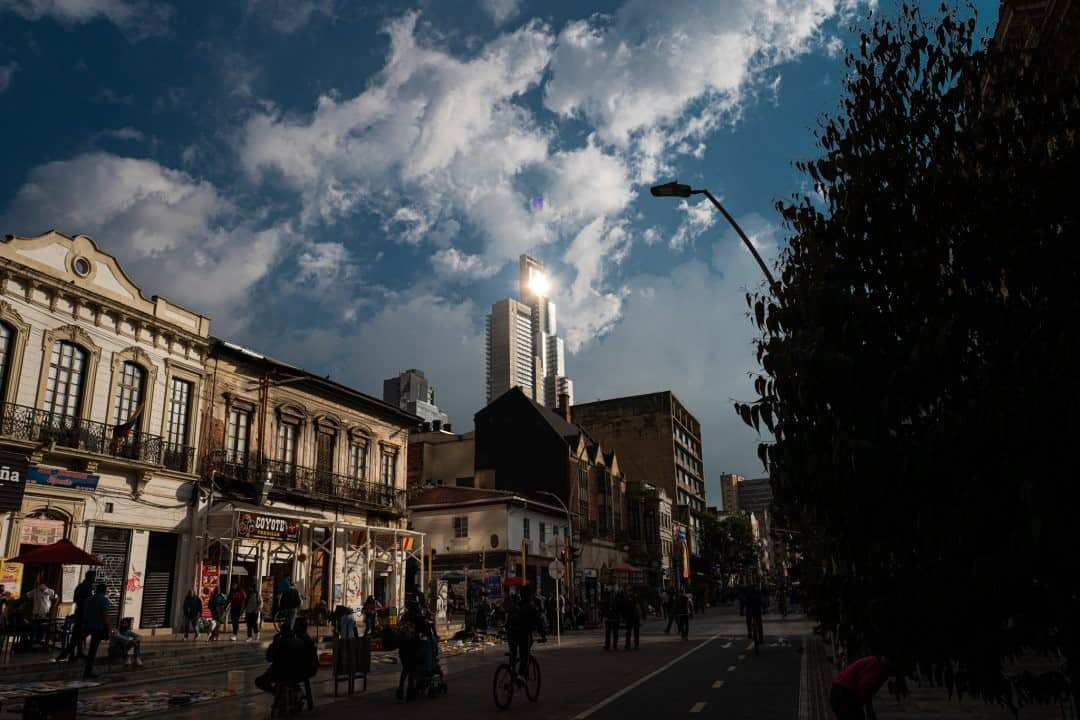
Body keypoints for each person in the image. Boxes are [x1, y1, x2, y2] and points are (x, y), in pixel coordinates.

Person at [831, 655, 892, 720]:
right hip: (843, 693)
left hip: (842, 692)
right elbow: (864, 688)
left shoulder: (876, 664)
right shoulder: (878, 667)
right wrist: (870, 711)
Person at [505, 586, 546, 683]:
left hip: (510, 634)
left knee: (513, 653)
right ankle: (520, 675)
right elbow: (539, 623)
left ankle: (511, 670)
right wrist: (543, 636)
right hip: (523, 634)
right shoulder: (531, 607)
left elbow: (508, 621)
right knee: (525, 655)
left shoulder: (514, 606)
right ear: (530, 596)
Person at [396, 596, 431, 702]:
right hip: (413, 646)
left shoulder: (404, 617)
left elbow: (399, 629)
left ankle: (400, 688)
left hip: (402, 646)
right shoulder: (418, 617)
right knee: (412, 670)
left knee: (405, 669)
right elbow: (426, 630)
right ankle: (410, 693)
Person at [56, 571, 96, 662]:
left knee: (78, 634)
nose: (94, 579)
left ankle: (74, 653)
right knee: (79, 634)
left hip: (81, 613)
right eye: (93, 576)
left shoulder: (82, 587)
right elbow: (82, 601)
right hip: (82, 614)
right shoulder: (85, 587)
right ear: (89, 577)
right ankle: (69, 652)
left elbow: (76, 599)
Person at [82, 583, 111, 679]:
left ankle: (86, 668)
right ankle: (88, 671)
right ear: (104, 591)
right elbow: (105, 615)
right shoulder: (103, 600)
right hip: (98, 627)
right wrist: (109, 628)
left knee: (86, 647)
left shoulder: (88, 599)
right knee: (92, 650)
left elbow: (85, 613)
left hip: (87, 625)